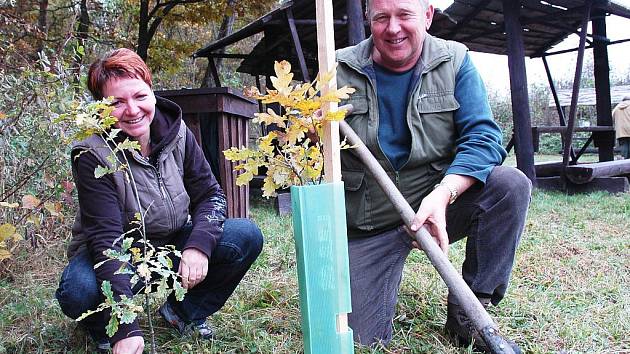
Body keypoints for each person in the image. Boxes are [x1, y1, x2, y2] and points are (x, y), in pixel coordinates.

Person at [335, 0, 531, 352]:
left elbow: (484, 138)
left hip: (434, 207)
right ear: (369, 20)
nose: (392, 28)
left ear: (427, 15)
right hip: (368, 223)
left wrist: (444, 194)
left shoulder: (454, 60)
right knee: (360, 338)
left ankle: (469, 313)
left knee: (509, 185)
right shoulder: (337, 68)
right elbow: (308, 154)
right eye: (381, 17)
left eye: (404, 15)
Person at [55, 48, 264, 354]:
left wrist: (197, 246)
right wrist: (125, 326)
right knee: (78, 290)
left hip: (170, 245)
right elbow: (106, 241)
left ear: (152, 92)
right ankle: (106, 329)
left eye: (139, 96)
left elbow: (210, 194)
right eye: (117, 102)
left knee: (245, 236)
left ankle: (182, 313)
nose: (132, 110)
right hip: (118, 253)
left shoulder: (178, 133)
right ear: (101, 108)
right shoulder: (92, 155)